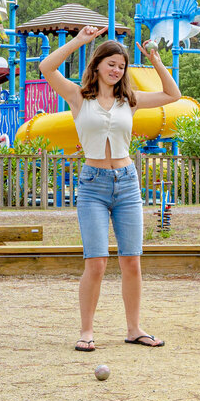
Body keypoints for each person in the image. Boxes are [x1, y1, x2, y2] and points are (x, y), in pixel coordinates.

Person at [39, 25, 182, 352]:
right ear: (98, 65)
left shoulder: (129, 100)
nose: (117, 70)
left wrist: (157, 60)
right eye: (111, 64)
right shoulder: (78, 96)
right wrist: (80, 41)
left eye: (122, 66)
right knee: (97, 261)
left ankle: (134, 329)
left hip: (127, 184)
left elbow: (173, 95)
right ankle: (87, 331)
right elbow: (46, 68)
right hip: (92, 185)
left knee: (132, 260)